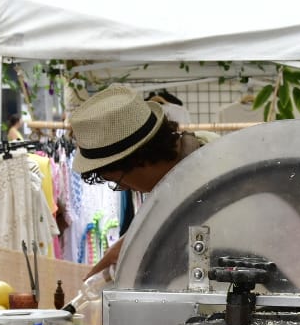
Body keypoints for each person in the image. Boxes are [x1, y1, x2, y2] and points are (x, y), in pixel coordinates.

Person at [69, 84, 202, 281]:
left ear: (139, 160)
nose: (123, 189)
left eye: (117, 181)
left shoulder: (208, 179)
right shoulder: (176, 179)